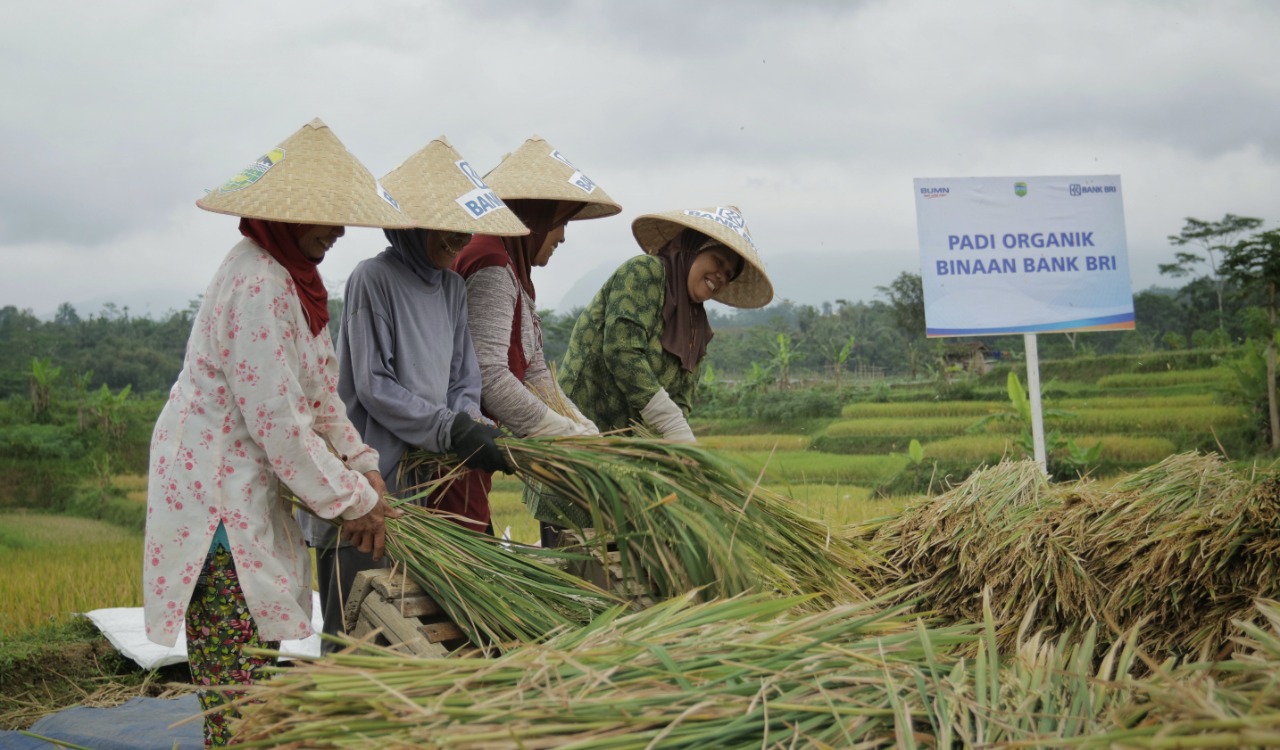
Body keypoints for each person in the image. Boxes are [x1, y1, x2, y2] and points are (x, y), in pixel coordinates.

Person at [142, 118, 410, 748]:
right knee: (237, 682)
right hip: (215, 498)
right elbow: (279, 427)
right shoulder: (259, 282)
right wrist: (354, 502)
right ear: (285, 217)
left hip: (245, 485)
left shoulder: (299, 282)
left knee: (253, 665)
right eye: (326, 217)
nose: (339, 232)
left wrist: (364, 462)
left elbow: (320, 396)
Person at [297, 137, 527, 651]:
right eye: (446, 227)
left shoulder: (450, 288)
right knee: (353, 627)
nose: (459, 239)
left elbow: (463, 377)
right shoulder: (371, 280)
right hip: (366, 485)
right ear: (413, 224)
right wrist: (449, 428)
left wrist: (467, 419)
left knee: (403, 628)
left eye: (464, 226)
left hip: (419, 490)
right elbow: (375, 388)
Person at [451, 136, 621, 546]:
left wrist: (580, 427)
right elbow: (489, 373)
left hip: (472, 447)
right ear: (535, 216)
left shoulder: (513, 266)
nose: (561, 235)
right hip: (455, 449)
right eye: (559, 220)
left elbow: (534, 367)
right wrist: (556, 431)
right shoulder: (491, 262)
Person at [557, 205, 774, 442]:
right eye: (719, 260)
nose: (722, 275)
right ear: (692, 249)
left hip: (627, 446)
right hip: (580, 428)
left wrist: (675, 443)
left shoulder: (697, 327)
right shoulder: (644, 272)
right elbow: (622, 351)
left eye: (730, 273)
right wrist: (670, 422)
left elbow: (683, 396)